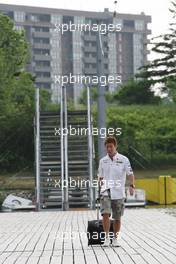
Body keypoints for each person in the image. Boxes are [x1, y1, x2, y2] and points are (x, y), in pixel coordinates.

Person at [97, 136, 135, 247]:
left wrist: (132, 185)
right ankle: (107, 237)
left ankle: (115, 238)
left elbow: (130, 174)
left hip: (118, 192)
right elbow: (100, 176)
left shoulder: (124, 159)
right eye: (107, 147)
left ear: (115, 146)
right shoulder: (102, 161)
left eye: (111, 146)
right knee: (105, 213)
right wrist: (99, 185)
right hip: (105, 191)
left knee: (117, 217)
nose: (109, 149)